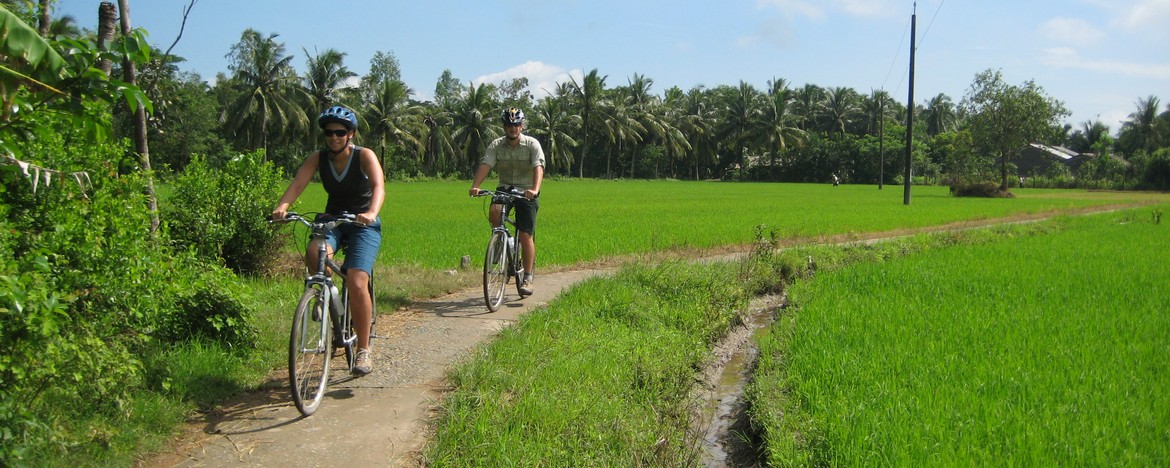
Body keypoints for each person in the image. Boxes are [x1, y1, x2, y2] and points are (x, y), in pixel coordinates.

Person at [272, 105, 385, 375]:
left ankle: (363, 351)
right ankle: (323, 294)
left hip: (362, 224)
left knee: (358, 280)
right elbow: (297, 184)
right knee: (315, 251)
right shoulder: (318, 158)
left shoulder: (364, 156)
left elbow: (379, 186)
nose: (333, 138)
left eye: (339, 132)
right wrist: (282, 207)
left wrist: (371, 212)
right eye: (328, 133)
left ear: (351, 134)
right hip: (331, 219)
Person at [469, 107, 545, 295]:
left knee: (526, 235)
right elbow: (486, 164)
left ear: (522, 126)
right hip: (505, 186)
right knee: (494, 209)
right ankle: (501, 240)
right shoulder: (496, 145)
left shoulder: (532, 144)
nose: (513, 129)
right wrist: (475, 185)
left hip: (527, 190)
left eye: (517, 125)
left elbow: (538, 167)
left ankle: (527, 277)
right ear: (504, 127)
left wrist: (534, 190)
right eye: (509, 125)